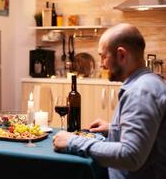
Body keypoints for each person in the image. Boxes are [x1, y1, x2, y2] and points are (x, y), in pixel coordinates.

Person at [53, 23, 166, 179]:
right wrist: (114, 128)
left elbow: (130, 155)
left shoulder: (141, 91)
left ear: (121, 55)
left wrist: (72, 141)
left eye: (103, 56)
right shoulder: (147, 82)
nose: (101, 64)